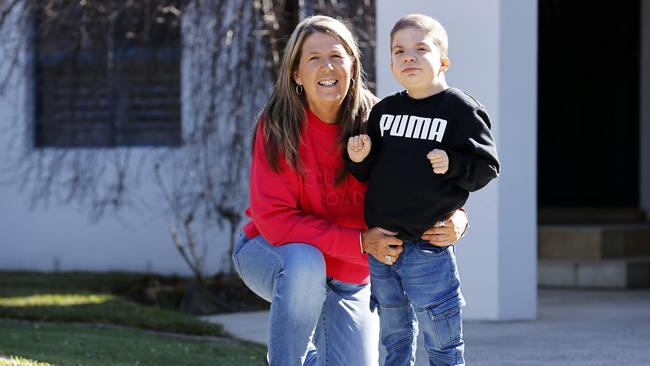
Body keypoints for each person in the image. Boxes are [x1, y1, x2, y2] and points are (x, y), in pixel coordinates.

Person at [231, 15, 469, 366]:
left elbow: (427, 184)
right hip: (272, 253)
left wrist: (458, 219)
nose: (327, 66)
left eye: (337, 55)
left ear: (353, 65)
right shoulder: (278, 125)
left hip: (348, 276)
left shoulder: (383, 119)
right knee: (305, 264)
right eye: (313, 58)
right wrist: (359, 242)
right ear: (296, 73)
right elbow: (276, 220)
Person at [345, 14, 500, 366]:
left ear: (443, 61)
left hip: (428, 247)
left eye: (420, 49)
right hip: (383, 248)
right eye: (399, 51)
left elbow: (487, 168)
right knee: (394, 338)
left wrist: (455, 163)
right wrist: (358, 159)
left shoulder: (461, 109)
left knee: (442, 341)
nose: (408, 57)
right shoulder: (384, 111)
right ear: (391, 63)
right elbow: (369, 174)